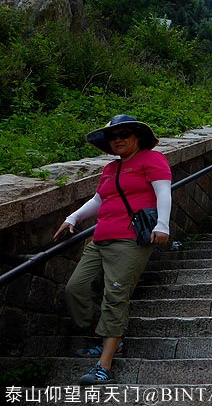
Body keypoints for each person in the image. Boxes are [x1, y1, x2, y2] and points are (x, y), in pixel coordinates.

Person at [54, 115, 172, 385]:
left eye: (125, 134)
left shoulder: (152, 160)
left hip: (131, 239)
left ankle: (104, 365)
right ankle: (107, 336)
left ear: (137, 137)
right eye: (113, 136)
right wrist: (73, 218)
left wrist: (163, 225)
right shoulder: (111, 169)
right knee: (76, 288)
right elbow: (99, 199)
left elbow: (164, 192)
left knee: (115, 294)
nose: (118, 140)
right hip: (100, 238)